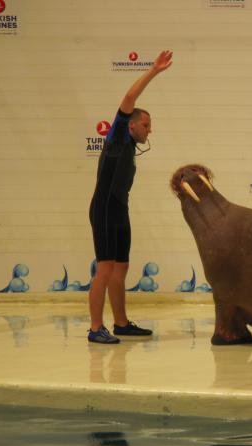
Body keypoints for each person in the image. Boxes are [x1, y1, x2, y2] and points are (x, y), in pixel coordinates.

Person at [88, 50, 173, 344]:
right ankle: (96, 327)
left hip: (119, 209)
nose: (150, 130)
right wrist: (154, 71)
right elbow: (128, 97)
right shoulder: (118, 138)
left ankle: (121, 323)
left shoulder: (129, 148)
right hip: (104, 209)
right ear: (132, 125)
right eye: (146, 125)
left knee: (121, 266)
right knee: (106, 267)